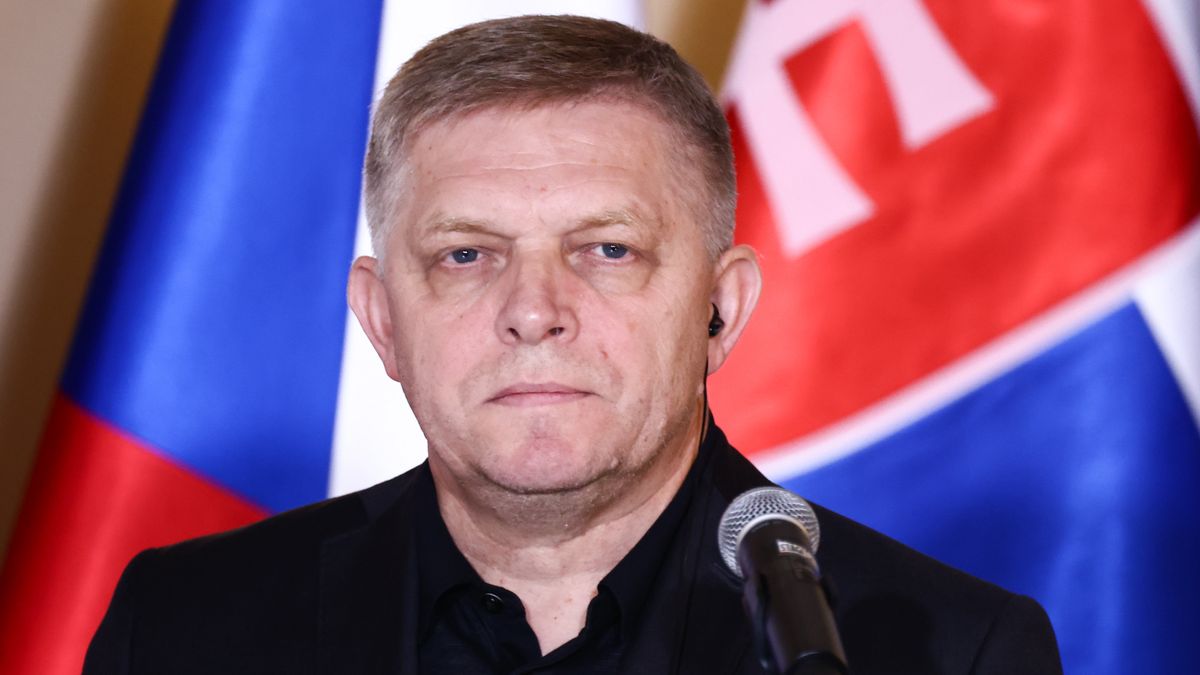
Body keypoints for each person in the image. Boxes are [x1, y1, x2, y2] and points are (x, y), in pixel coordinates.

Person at [85, 15, 1061, 674]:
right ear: (382, 319)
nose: (534, 309)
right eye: (467, 254)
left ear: (721, 308)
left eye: (606, 249)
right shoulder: (179, 630)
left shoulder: (951, 652)